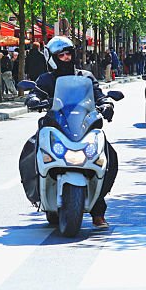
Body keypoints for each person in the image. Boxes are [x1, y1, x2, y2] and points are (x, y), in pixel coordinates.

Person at [28, 36, 117, 229]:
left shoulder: (85, 76)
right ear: (52, 57)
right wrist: (33, 99)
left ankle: (98, 211)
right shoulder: (46, 79)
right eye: (61, 55)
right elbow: (37, 92)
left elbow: (97, 94)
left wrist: (106, 103)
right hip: (56, 125)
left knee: (108, 155)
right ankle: (37, 191)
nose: (66, 58)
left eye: (69, 53)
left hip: (82, 127)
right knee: (30, 148)